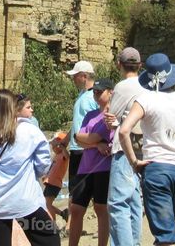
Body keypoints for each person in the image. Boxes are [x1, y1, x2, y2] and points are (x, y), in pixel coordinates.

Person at [118, 53, 175, 246]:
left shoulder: (145, 100)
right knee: (166, 229)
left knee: (165, 237)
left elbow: (123, 131)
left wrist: (134, 162)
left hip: (157, 170)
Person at [0, 90, 57, 246]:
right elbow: (44, 161)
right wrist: (35, 173)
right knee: (49, 237)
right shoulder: (29, 130)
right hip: (24, 201)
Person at [104, 47, 144, 246]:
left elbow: (112, 115)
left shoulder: (122, 86)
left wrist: (112, 120)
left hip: (123, 148)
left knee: (118, 203)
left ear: (119, 64)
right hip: (142, 148)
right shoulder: (148, 84)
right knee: (135, 202)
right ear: (140, 65)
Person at [70, 79, 114, 246]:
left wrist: (90, 140)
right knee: (76, 208)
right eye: (94, 91)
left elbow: (89, 137)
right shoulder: (90, 114)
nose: (96, 94)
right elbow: (78, 138)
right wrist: (96, 144)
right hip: (85, 166)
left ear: (110, 92)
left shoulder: (111, 116)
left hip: (103, 166)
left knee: (101, 208)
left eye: (99, 91)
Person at [62, 62, 97, 211]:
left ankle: (72, 224)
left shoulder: (95, 96)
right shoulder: (82, 94)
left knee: (82, 189)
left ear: (84, 76)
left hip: (85, 148)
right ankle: (72, 223)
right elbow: (78, 122)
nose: (73, 79)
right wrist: (66, 139)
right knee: (75, 188)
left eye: (75, 76)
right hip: (77, 147)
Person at [42, 131, 69, 224]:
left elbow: (67, 156)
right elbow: (52, 169)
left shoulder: (62, 155)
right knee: (46, 204)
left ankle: (53, 225)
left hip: (55, 183)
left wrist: (63, 147)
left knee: (47, 204)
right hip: (50, 182)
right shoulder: (56, 156)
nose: (52, 148)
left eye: (53, 145)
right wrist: (46, 176)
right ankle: (62, 213)